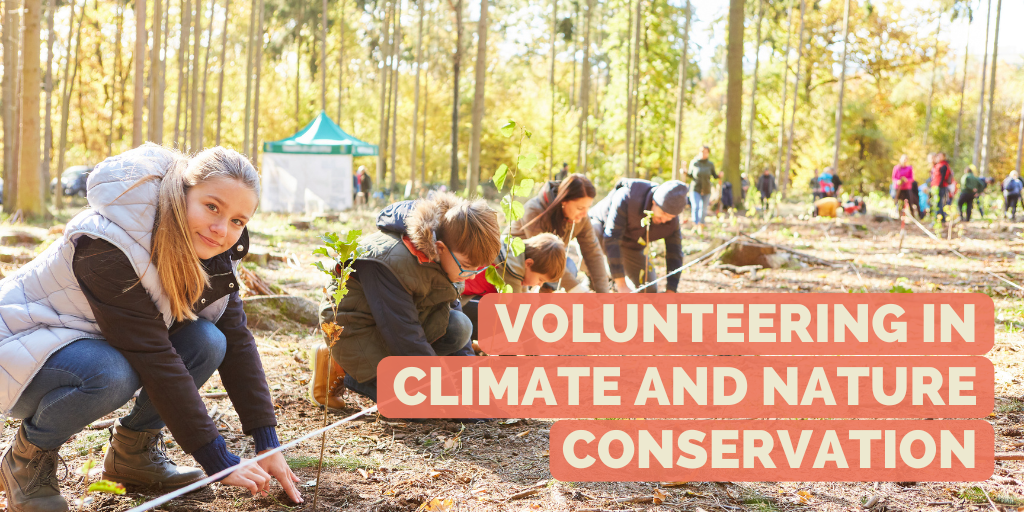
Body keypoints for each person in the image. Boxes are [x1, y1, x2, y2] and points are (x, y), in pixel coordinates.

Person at [0, 145, 302, 512]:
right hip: (20, 347)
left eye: (238, 221)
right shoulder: (107, 243)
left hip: (87, 341)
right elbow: (153, 355)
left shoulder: (213, 252)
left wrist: (267, 441)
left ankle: (133, 454)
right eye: (212, 207)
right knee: (111, 372)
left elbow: (238, 340)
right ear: (182, 192)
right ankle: (25, 459)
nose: (222, 230)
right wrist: (217, 459)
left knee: (209, 340)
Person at [319, 192, 501, 403]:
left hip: (394, 324)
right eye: (467, 267)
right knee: (417, 406)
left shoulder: (448, 256)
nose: (469, 275)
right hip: (355, 329)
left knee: (459, 326)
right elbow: (403, 334)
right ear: (440, 248)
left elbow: (451, 315)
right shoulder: (391, 262)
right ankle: (345, 371)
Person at [510, 174, 609, 293]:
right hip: (517, 266)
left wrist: (604, 294)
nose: (584, 214)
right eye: (580, 208)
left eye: (587, 208)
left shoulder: (581, 219)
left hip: (542, 267)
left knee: (569, 266)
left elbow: (593, 253)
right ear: (564, 201)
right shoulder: (535, 210)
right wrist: (577, 290)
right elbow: (544, 258)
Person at [461, 234, 567, 341]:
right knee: (507, 319)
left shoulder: (516, 260)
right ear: (529, 263)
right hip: (459, 301)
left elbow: (525, 298)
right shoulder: (511, 270)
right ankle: (462, 340)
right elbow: (520, 314)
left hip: (469, 297)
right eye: (541, 279)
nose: (540, 284)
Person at [590, 179, 687, 294]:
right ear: (654, 202)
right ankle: (592, 276)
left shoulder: (672, 222)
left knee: (648, 290)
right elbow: (611, 237)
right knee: (592, 231)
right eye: (663, 214)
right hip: (603, 233)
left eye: (670, 217)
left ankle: (612, 275)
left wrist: (671, 291)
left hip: (631, 245)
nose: (665, 219)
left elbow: (675, 254)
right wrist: (621, 286)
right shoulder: (628, 195)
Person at [687, 146, 717, 232]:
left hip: (706, 189)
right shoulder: (694, 163)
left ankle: (701, 225)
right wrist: (684, 171)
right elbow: (690, 175)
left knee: (703, 209)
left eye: (706, 152)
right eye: (702, 152)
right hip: (695, 189)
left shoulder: (710, 164)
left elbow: (714, 176)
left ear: (708, 153)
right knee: (696, 206)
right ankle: (695, 225)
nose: (704, 154)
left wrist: (719, 176)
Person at [931, 152, 954, 222]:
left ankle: (940, 218)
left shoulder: (944, 165)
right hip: (936, 186)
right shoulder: (938, 165)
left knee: (940, 203)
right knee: (937, 203)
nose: (939, 157)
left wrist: (938, 185)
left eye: (940, 156)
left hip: (941, 186)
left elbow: (943, 177)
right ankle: (940, 218)